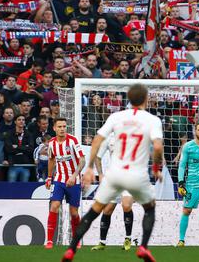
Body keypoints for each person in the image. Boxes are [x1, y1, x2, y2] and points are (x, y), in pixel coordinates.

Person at [61, 84, 163, 262]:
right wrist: (156, 169)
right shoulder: (152, 120)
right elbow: (157, 147)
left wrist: (90, 168)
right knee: (150, 208)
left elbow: (97, 140)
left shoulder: (116, 117)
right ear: (146, 98)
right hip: (136, 175)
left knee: (94, 211)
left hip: (114, 174)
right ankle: (143, 247)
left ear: (129, 99)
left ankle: (71, 250)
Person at [91, 133, 136, 251]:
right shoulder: (109, 137)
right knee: (107, 210)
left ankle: (128, 239)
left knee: (126, 205)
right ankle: (102, 242)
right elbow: (98, 156)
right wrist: (100, 174)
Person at [45, 117, 85, 249]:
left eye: (64, 126)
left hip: (74, 181)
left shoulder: (72, 141)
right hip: (59, 180)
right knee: (55, 205)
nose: (62, 129)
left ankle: (76, 240)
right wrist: (49, 177)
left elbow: (82, 160)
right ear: (54, 128)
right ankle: (49, 241)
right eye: (60, 127)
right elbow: (51, 160)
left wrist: (74, 175)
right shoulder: (51, 143)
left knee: (74, 212)